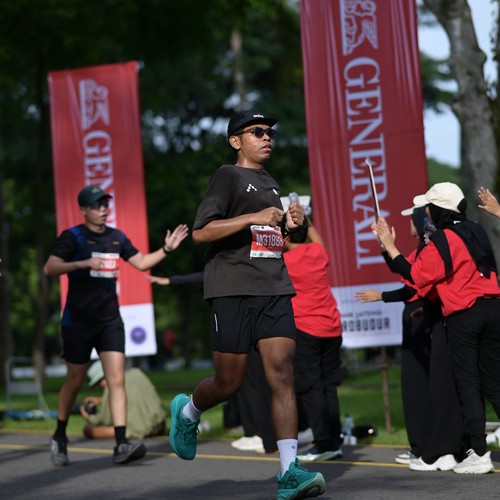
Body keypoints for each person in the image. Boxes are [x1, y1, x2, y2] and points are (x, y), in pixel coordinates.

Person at [167, 110, 326, 499]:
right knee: (229, 383)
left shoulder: (270, 182)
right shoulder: (227, 176)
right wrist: (255, 216)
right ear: (236, 141)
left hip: (274, 288)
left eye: (270, 132)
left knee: (282, 374)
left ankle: (289, 471)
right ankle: (188, 411)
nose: (267, 137)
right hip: (231, 290)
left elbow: (267, 237)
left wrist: (290, 225)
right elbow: (202, 232)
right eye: (257, 132)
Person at [43, 184, 189, 466]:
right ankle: (59, 436)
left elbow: (142, 262)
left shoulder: (116, 237)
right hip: (77, 323)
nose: (103, 209)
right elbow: (50, 267)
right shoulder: (73, 237)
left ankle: (122, 444)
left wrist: (167, 249)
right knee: (74, 381)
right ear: (84, 209)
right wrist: (81, 263)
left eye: (105, 204)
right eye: (96, 205)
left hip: (109, 320)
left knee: (117, 380)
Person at [373, 182, 500, 474]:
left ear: (440, 210)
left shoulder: (443, 238)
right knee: (494, 382)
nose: (426, 213)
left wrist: (389, 246)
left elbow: (415, 276)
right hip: (493, 308)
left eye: (429, 207)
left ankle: (479, 453)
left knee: (468, 383)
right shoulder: (476, 229)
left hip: (465, 315)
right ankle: (475, 450)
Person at [357, 206, 466, 471]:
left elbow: (411, 284)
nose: (410, 222)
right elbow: (403, 269)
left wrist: (381, 295)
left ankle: (430, 446)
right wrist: (385, 246)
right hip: (420, 317)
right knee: (417, 387)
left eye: (414, 218)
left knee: (423, 386)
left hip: (426, 318)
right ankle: (424, 445)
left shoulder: (432, 248)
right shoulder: (423, 249)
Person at [282, 216, 343, 462]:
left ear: (286, 235)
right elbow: (315, 235)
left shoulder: (285, 262)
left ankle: (324, 443)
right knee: (329, 386)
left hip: (306, 328)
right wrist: (305, 218)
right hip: (332, 326)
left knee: (311, 387)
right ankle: (334, 441)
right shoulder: (318, 252)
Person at [80, 360, 166, 439]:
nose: (100, 387)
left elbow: (104, 420)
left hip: (137, 430)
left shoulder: (111, 387)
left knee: (89, 429)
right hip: (159, 426)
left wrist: (89, 417)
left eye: (98, 383)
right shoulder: (137, 373)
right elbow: (134, 395)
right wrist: (101, 400)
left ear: (104, 377)